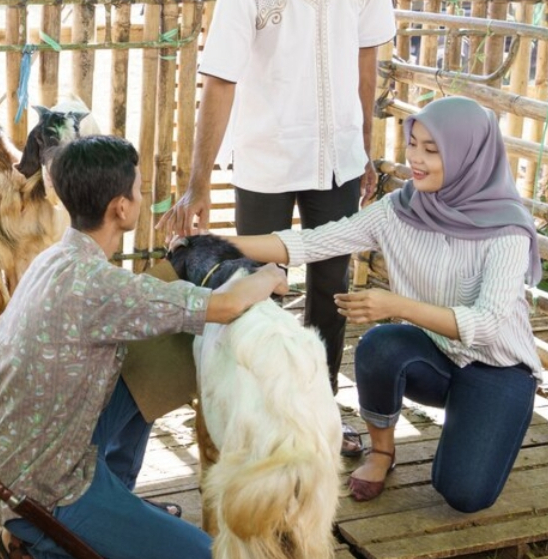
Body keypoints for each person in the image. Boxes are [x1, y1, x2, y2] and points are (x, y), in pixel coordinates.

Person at [0, 135, 288, 559]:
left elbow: (156, 306)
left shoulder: (57, 258)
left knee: (153, 355)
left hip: (20, 459)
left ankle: (114, 503)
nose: (144, 199)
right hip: (44, 492)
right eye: (141, 191)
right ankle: (33, 543)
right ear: (121, 208)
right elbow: (225, 307)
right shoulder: (101, 285)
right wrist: (269, 275)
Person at [157, 0, 396, 459]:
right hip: (265, 162)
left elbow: (366, 65)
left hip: (337, 161)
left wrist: (364, 149)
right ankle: (257, 420)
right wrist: (195, 186)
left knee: (331, 294)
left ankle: (319, 415)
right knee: (253, 294)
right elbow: (219, 83)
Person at [225, 96, 542, 512]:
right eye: (414, 144)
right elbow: (313, 241)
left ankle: (488, 417)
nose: (416, 159)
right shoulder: (401, 209)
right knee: (379, 346)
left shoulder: (506, 228)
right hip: (439, 356)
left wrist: (397, 305)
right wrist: (219, 244)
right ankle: (381, 452)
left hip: (498, 368)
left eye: (432, 150)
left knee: (464, 495)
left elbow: (486, 326)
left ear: (469, 155)